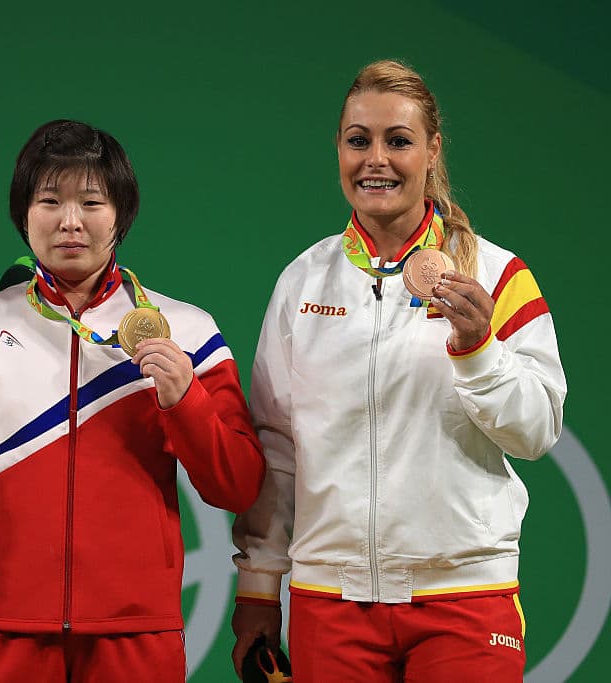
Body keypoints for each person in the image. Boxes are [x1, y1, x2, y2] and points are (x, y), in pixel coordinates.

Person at [231, 60, 567, 682]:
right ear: (339, 149)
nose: (376, 160)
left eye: (399, 141)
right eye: (359, 141)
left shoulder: (496, 275)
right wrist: (258, 588)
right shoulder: (303, 282)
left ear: (433, 151)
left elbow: (538, 430)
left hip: (464, 596)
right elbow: (277, 450)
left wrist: (478, 349)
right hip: (329, 600)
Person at [0, 119, 266, 682]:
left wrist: (186, 400)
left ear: (121, 214)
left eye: (92, 202)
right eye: (50, 200)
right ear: (23, 215)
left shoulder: (188, 331)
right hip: (1, 629)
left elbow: (238, 486)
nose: (70, 221)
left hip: (137, 633)